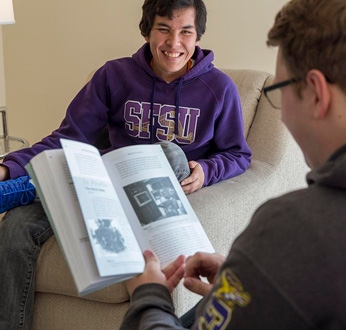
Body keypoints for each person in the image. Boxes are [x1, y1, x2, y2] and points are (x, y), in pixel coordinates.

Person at [119, 0, 346, 329]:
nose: (283, 111)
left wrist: (149, 296)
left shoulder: (293, 230)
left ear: (316, 93)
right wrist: (260, 282)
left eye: (280, 90)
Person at [0, 0, 252, 328]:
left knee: (171, 153)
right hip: (102, 192)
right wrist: (8, 166)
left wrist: (206, 170)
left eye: (185, 32)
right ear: (147, 30)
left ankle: (28, 188)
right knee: (16, 224)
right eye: (163, 29)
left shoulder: (219, 89)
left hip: (152, 197)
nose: (174, 43)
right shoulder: (114, 75)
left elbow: (239, 154)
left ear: (198, 37)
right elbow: (68, 139)